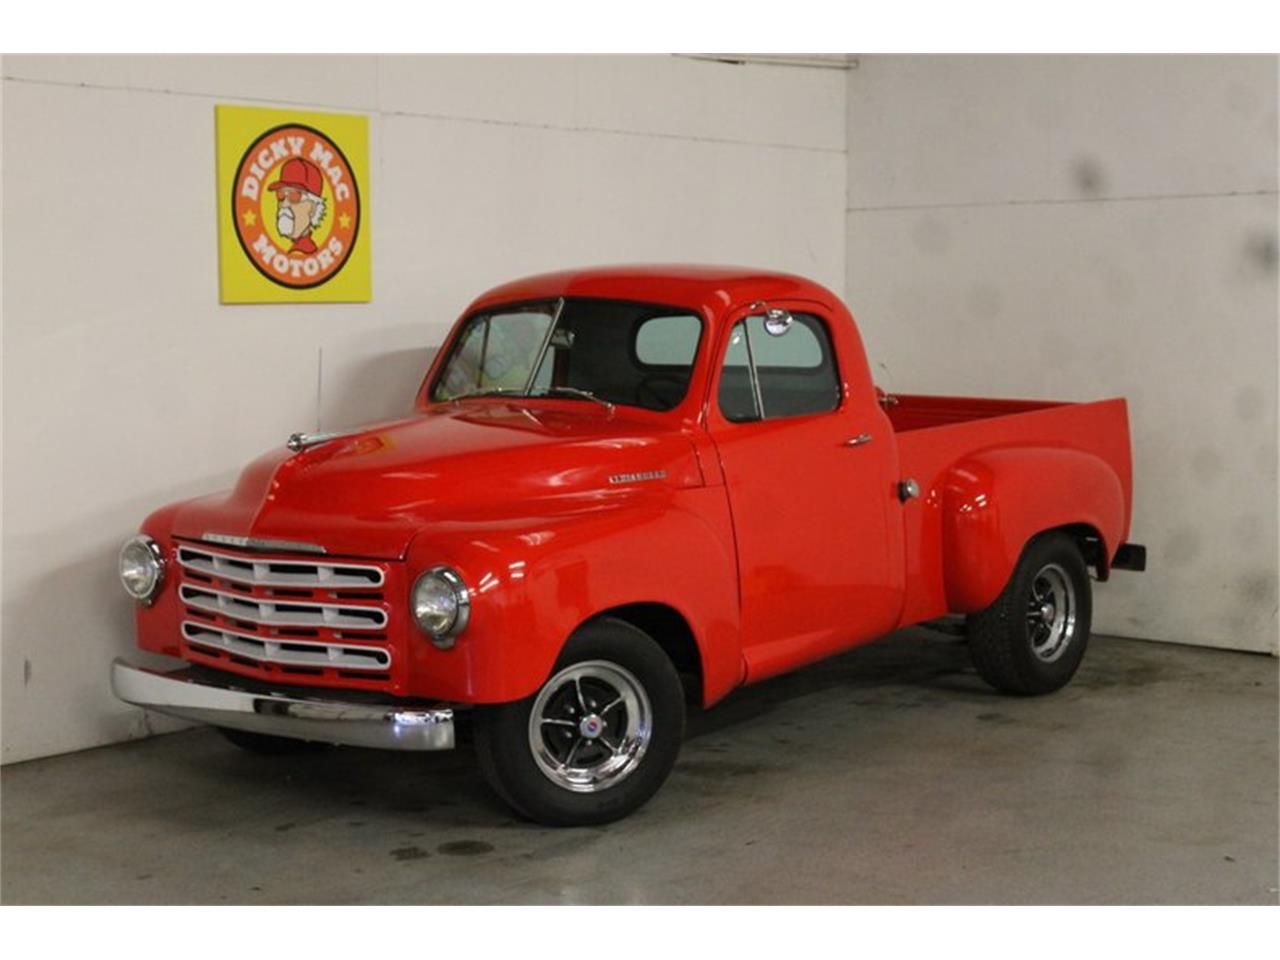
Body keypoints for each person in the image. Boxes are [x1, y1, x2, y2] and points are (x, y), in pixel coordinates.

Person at [267, 157, 327, 255]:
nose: (284, 205)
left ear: (313, 208)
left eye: (294, 196)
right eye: (281, 195)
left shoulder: (304, 253)